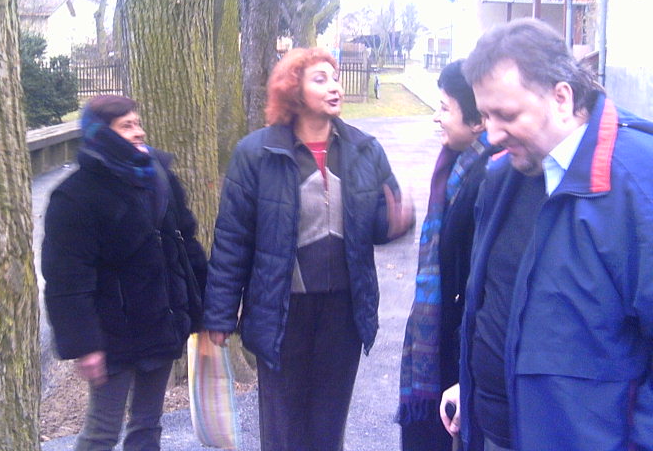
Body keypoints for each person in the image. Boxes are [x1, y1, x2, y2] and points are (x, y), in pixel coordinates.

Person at [439, 18, 653, 451]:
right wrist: (470, 383)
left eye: (507, 115)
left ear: (561, 98)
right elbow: (496, 304)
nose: (492, 134)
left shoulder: (639, 185)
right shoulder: (502, 174)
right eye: (485, 115)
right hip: (492, 431)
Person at [202, 47, 415, 451]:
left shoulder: (364, 149)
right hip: (282, 310)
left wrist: (394, 223)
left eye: (335, 78)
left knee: (328, 424)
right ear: (293, 90)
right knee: (283, 426)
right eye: (320, 79)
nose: (334, 87)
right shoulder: (256, 153)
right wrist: (220, 314)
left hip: (343, 311)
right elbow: (232, 239)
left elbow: (377, 223)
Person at [41, 95, 207, 451]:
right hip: (112, 334)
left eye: (138, 123)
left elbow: (186, 243)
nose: (139, 132)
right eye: (126, 126)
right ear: (101, 133)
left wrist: (205, 306)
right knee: (103, 431)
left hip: (162, 321)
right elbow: (67, 278)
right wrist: (84, 344)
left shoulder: (159, 177)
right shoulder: (74, 196)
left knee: (148, 424)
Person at [398, 60, 499, 451]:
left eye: (444, 108)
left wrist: (464, 372)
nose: (436, 117)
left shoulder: (487, 175)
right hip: (445, 344)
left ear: (477, 121)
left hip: (459, 352)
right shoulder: (458, 165)